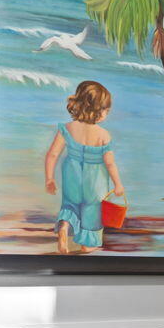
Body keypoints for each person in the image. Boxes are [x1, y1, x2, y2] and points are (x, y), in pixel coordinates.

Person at [43, 80, 126, 253]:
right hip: (95, 179)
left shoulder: (67, 128)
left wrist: (50, 178)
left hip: (71, 172)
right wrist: (118, 184)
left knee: (70, 204)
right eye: (106, 110)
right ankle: (87, 246)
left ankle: (65, 226)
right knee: (92, 209)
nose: (107, 113)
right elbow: (110, 163)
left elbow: (52, 154)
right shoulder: (103, 135)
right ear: (98, 111)